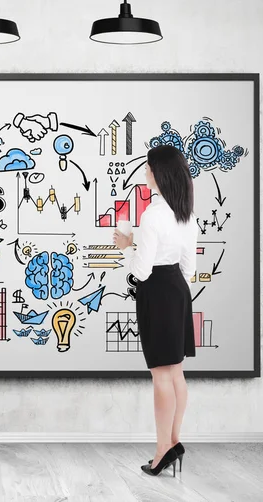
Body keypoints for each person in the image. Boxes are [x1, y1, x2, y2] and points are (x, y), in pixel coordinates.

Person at [113, 145, 198, 477]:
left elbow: (142, 272)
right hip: (178, 289)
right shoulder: (186, 213)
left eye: (149, 168)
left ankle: (163, 449)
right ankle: (173, 440)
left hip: (158, 293)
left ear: (160, 173)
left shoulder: (151, 215)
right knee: (176, 372)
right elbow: (188, 268)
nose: (146, 172)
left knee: (161, 375)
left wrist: (125, 248)